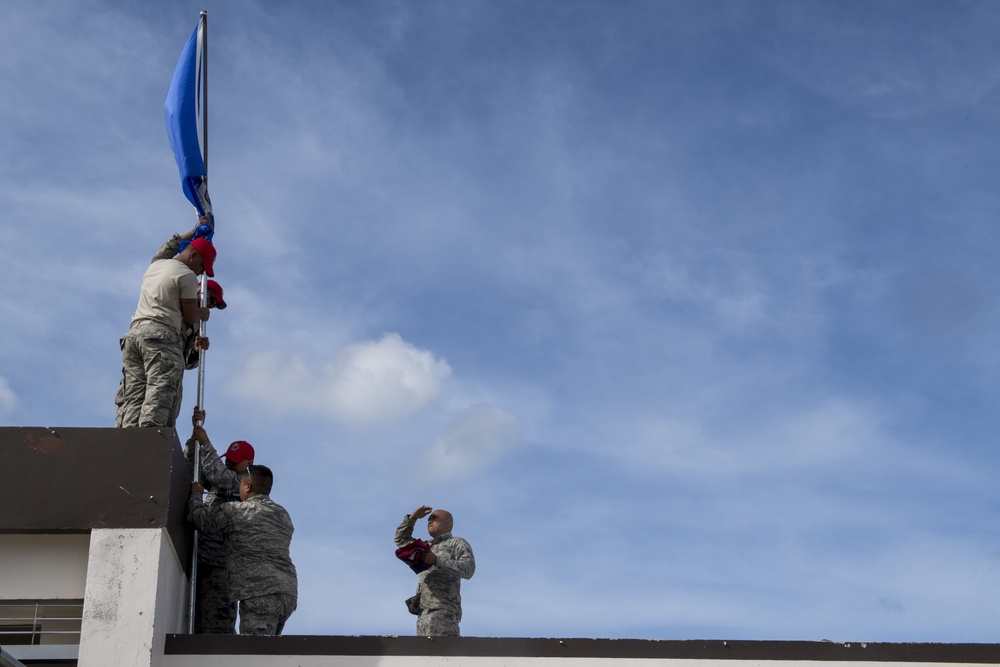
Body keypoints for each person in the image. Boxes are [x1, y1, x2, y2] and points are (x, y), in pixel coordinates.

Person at [117, 218, 217, 428]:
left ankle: (125, 440)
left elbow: (167, 247)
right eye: (201, 266)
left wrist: (193, 231)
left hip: (134, 334)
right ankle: (150, 443)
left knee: (134, 394)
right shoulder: (187, 276)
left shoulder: (156, 265)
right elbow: (190, 316)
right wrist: (202, 313)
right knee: (160, 391)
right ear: (193, 256)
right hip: (161, 336)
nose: (201, 272)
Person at [188, 464, 297, 636]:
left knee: (255, 655)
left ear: (247, 486)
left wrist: (196, 494)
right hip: (287, 593)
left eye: (240, 485)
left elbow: (200, 519)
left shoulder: (238, 511)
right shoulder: (282, 514)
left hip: (260, 594)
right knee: (270, 654)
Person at [115, 276, 226, 427]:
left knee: (160, 395)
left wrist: (195, 350)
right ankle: (143, 436)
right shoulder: (178, 298)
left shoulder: (195, 325)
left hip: (160, 352)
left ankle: (145, 437)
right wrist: (198, 312)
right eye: (211, 299)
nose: (211, 306)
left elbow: (184, 360)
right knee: (142, 394)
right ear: (200, 291)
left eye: (214, 305)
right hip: (150, 340)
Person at [184, 407, 253, 634]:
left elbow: (218, 475)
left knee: (217, 626)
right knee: (194, 623)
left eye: (235, 461)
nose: (230, 464)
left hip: (222, 565)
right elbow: (193, 469)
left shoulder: (246, 485)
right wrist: (196, 434)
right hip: (202, 557)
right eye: (229, 460)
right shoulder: (223, 475)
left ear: (248, 463)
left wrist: (206, 443)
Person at [394, 505, 476, 637]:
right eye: (428, 519)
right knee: (423, 655)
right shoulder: (425, 546)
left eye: (434, 518)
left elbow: (468, 569)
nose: (429, 521)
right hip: (423, 612)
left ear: (447, 523)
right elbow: (401, 540)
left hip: (444, 610)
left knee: (443, 653)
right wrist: (413, 518)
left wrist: (437, 560)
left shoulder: (456, 543)